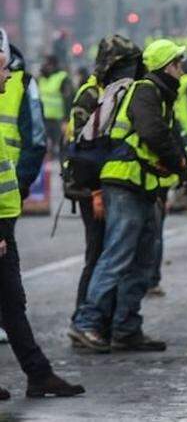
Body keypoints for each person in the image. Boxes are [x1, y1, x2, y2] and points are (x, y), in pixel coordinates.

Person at [70, 39, 187, 354]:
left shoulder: (158, 94)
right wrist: (178, 159)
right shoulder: (146, 91)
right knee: (118, 255)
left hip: (142, 185)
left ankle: (126, 328)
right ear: (168, 66)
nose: (183, 70)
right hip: (123, 183)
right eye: (178, 64)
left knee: (142, 258)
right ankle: (87, 322)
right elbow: (151, 132)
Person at [0, 40, 86, 401]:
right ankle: (39, 373)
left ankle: (39, 374)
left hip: (5, 217)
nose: (8, 73)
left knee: (10, 301)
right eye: (3, 67)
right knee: (10, 299)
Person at [65, 36, 143, 312]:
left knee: (110, 253)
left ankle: (104, 318)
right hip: (91, 188)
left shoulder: (117, 90)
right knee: (97, 254)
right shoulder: (91, 93)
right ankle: (84, 316)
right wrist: (95, 191)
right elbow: (85, 149)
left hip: (110, 185)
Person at [37, 54, 72, 156]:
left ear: (53, 65)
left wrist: (66, 120)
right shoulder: (41, 78)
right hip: (43, 119)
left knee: (59, 145)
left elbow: (68, 100)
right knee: (46, 146)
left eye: (47, 64)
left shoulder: (62, 78)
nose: (45, 66)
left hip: (58, 119)